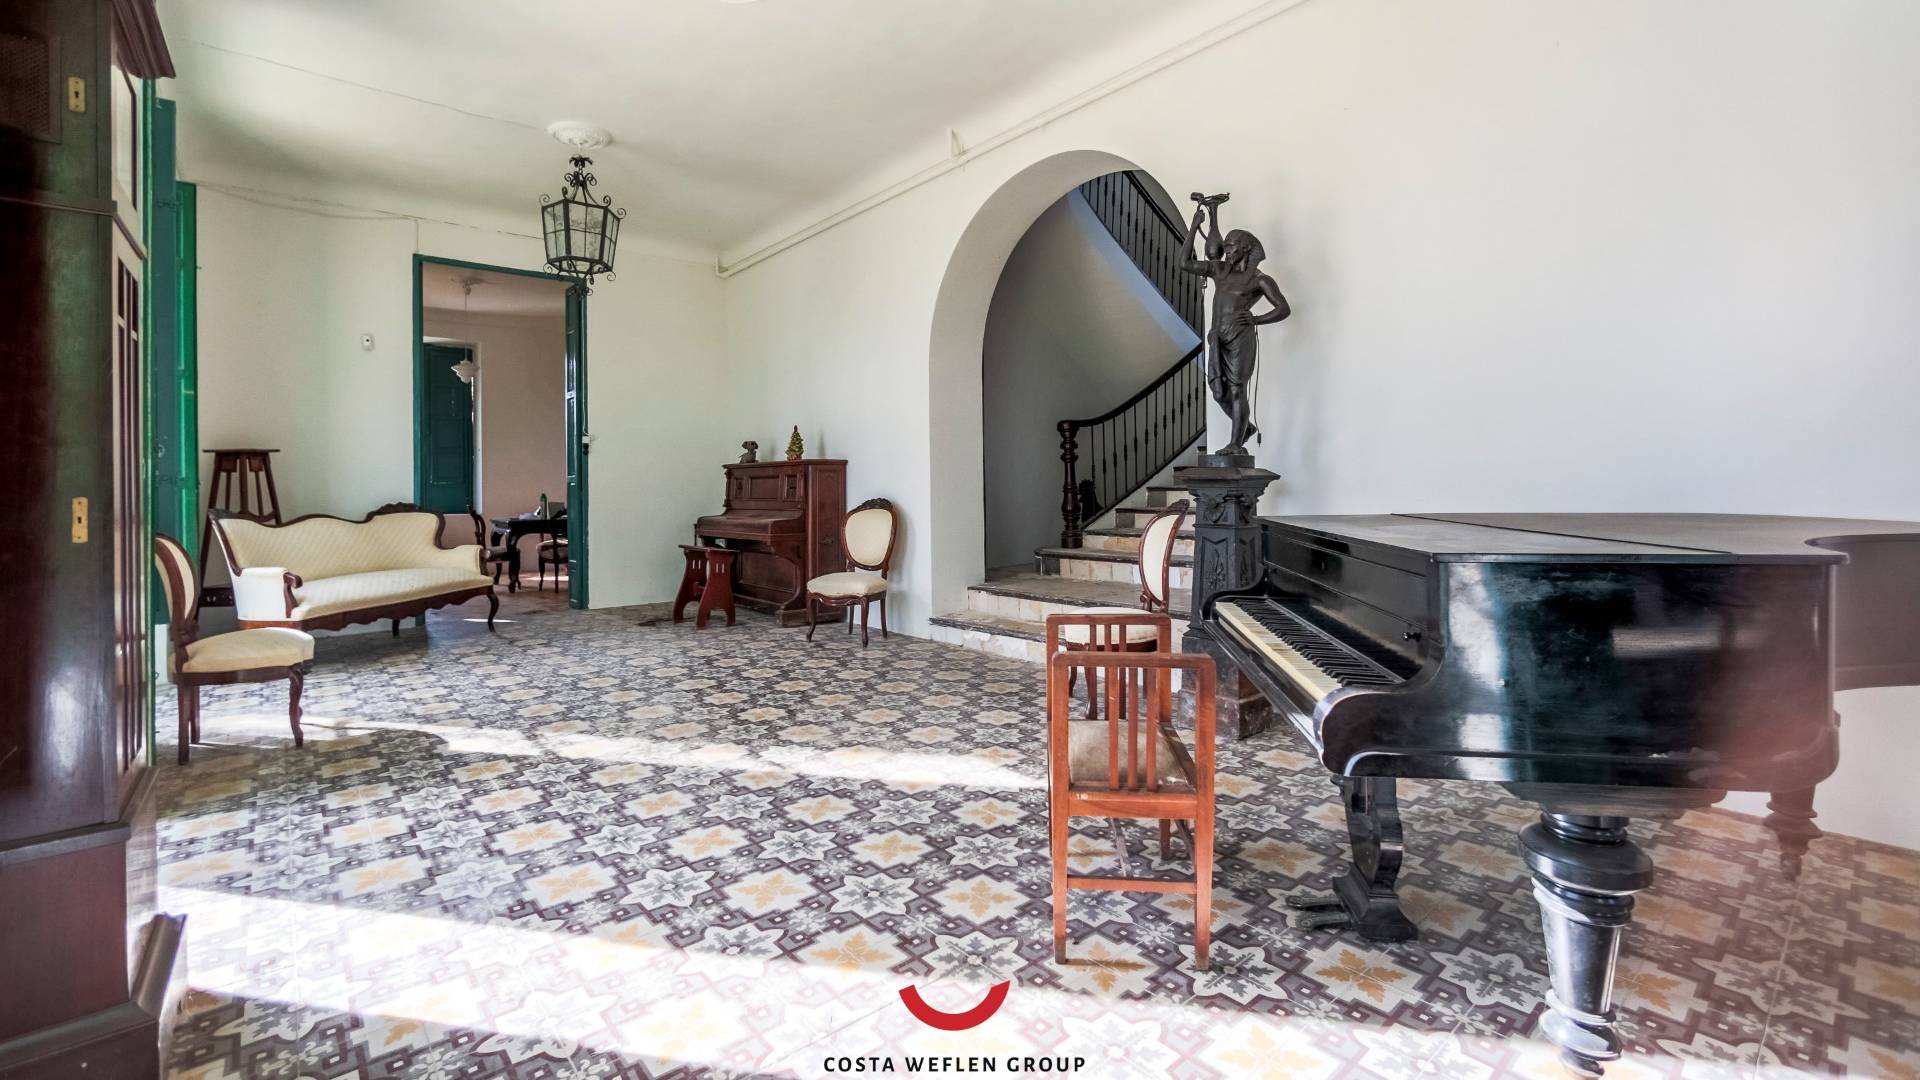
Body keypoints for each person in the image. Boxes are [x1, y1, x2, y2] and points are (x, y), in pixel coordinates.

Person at [1180, 194, 1289, 455]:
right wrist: (1194, 227)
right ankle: (1245, 427)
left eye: (1231, 246)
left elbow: (1283, 308)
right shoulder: (1220, 270)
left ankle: (1235, 444)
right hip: (1217, 337)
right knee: (1219, 392)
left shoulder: (1259, 279)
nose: (1226, 250)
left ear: (1246, 248)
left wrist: (1257, 319)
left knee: (1238, 389)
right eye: (1226, 246)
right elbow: (1184, 263)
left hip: (1240, 337)